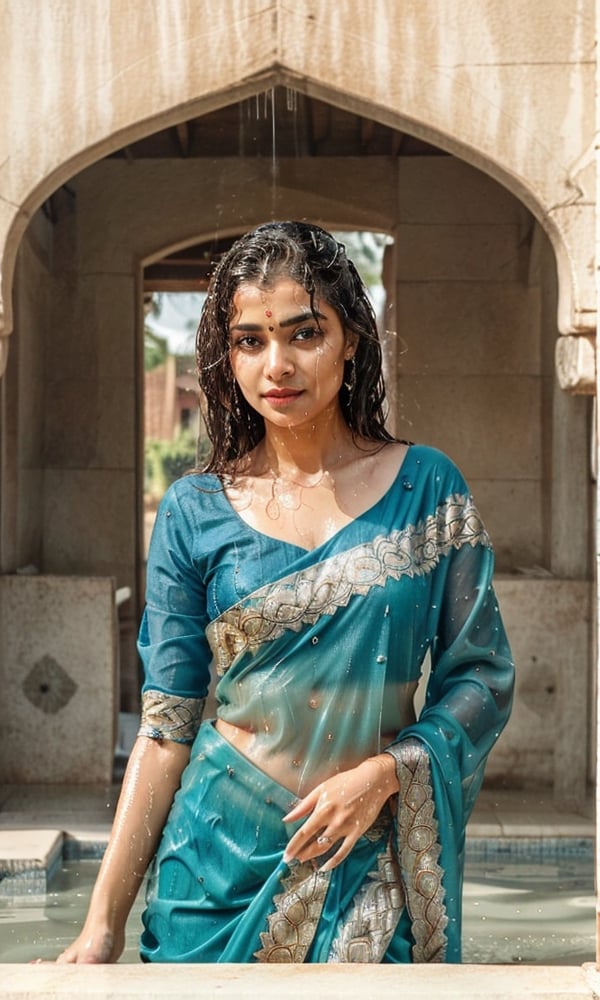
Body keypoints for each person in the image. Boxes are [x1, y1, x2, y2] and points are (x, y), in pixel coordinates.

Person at [58, 220, 514, 965]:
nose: (278, 365)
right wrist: (99, 923)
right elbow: (166, 727)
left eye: (305, 334)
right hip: (213, 863)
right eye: (250, 340)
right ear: (227, 354)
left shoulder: (428, 488)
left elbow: (482, 678)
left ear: (351, 340)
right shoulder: (194, 509)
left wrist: (387, 773)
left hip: (366, 861)